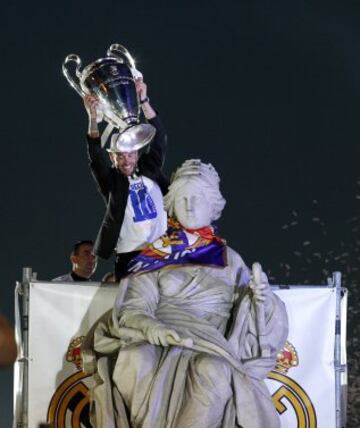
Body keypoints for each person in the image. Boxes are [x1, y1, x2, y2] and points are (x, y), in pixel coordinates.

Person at [83, 160, 288, 428]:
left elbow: (256, 318)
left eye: (198, 198)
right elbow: (133, 306)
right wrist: (153, 328)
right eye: (183, 198)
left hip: (209, 341)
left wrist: (261, 300)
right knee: (135, 358)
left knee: (213, 369)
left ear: (213, 205)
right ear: (173, 205)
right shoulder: (154, 254)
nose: (190, 205)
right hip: (157, 335)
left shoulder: (229, 259)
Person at [84, 78, 169, 281]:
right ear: (113, 158)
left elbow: (160, 137)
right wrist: (93, 119)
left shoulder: (150, 168)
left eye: (130, 154)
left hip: (162, 250)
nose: (126, 160)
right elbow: (95, 157)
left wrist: (144, 100)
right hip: (130, 254)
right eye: (119, 156)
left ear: (137, 153)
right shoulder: (111, 182)